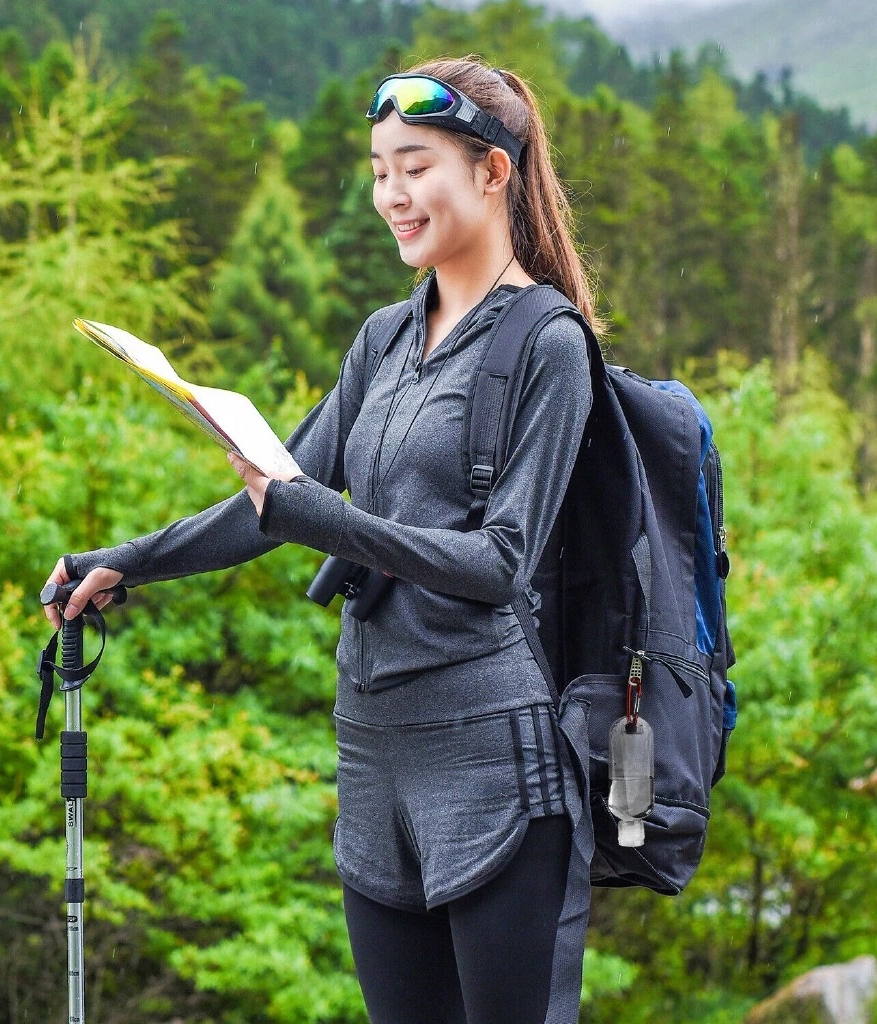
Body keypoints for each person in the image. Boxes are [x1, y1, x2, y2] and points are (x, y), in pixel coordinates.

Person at [43, 55, 600, 1024]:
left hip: (493, 759)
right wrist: (124, 558)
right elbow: (272, 497)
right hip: (373, 752)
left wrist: (317, 514)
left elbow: (500, 562)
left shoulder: (545, 344)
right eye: (380, 169)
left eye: (415, 165)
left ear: (492, 172)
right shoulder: (385, 336)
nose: (391, 194)